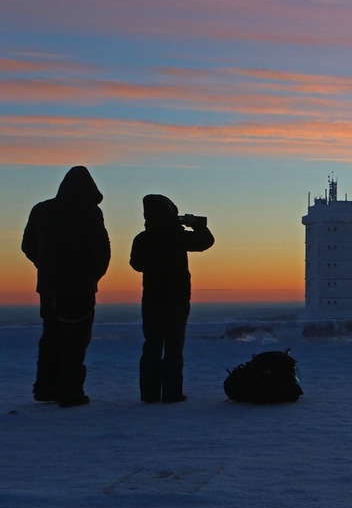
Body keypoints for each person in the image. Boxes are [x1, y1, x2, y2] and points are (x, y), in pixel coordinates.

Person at [21, 166, 111, 407]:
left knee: (51, 336)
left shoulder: (41, 210)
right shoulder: (89, 212)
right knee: (75, 338)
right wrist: (91, 276)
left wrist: (46, 266)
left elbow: (28, 245)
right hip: (79, 289)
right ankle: (70, 392)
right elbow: (100, 251)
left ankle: (45, 388)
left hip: (49, 288)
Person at [130, 195, 214, 403]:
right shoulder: (177, 235)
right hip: (177, 298)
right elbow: (206, 242)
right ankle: (172, 392)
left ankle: (149, 394)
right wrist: (197, 225)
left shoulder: (142, 238)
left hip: (151, 298)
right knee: (174, 346)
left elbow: (136, 264)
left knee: (152, 346)